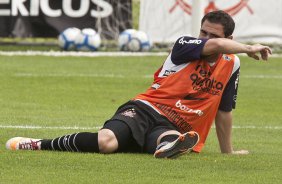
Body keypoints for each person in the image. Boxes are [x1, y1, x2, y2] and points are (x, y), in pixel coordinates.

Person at [6, 10, 271, 158]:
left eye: (211, 35)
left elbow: (224, 110)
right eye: (203, 32)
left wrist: (228, 152)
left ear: (229, 37)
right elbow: (215, 45)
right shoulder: (185, 45)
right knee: (106, 142)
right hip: (145, 109)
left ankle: (169, 146)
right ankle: (38, 143)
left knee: (172, 141)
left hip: (175, 125)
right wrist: (249, 47)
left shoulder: (232, 64)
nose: (204, 38)